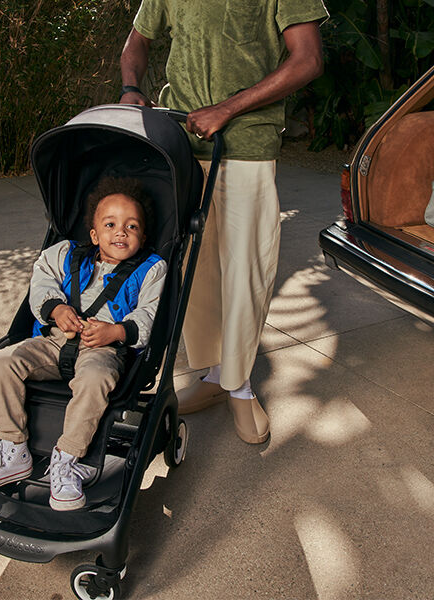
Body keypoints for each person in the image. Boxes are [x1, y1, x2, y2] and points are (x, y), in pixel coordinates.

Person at [120, 0, 328, 444]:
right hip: (178, 141)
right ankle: (215, 372)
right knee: (192, 268)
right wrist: (130, 87)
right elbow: (138, 40)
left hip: (247, 145)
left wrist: (228, 109)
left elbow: (308, 58)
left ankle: (238, 383)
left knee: (246, 270)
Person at [0, 176, 167, 510]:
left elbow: (151, 315)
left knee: (97, 378)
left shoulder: (151, 270)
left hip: (102, 349)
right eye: (111, 224)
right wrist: (56, 308)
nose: (121, 232)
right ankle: (13, 449)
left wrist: (115, 332)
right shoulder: (66, 254)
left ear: (143, 235)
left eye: (132, 226)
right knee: (1, 361)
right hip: (54, 341)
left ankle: (67, 459)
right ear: (95, 234)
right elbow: (40, 283)